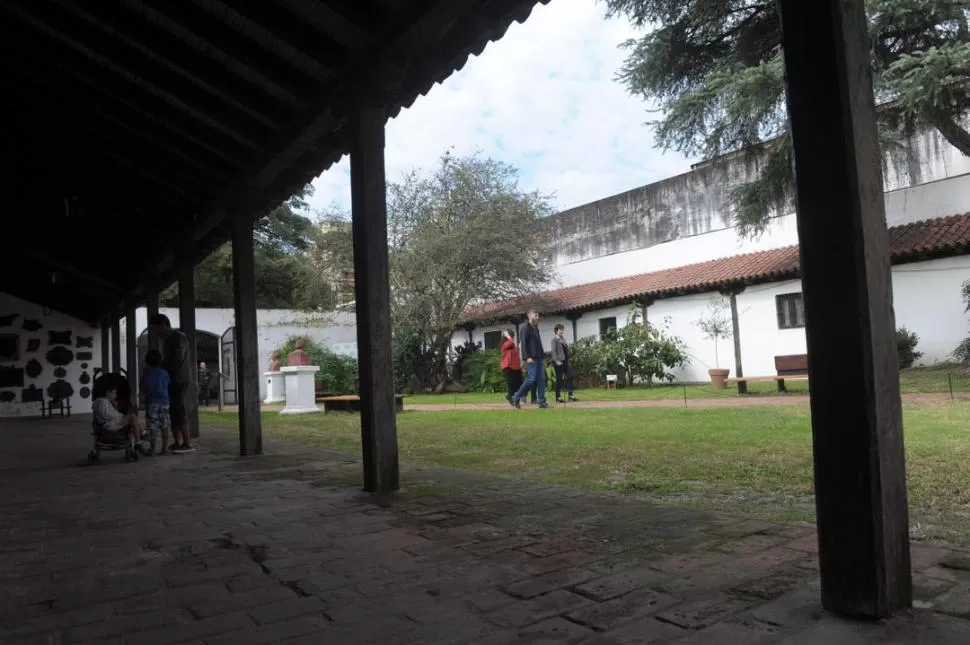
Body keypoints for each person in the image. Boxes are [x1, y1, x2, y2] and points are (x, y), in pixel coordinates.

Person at [149, 314, 194, 453]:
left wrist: (160, 365)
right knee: (173, 411)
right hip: (171, 379)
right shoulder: (167, 339)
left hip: (179, 379)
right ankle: (177, 442)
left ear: (163, 325)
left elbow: (178, 358)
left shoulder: (179, 337)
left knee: (179, 411)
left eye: (156, 329)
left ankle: (187, 444)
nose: (156, 333)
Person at [511, 310, 549, 409]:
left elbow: (538, 344)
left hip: (539, 358)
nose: (537, 317)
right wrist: (526, 357)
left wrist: (543, 356)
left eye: (538, 315)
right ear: (529, 316)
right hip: (531, 358)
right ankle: (517, 396)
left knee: (541, 380)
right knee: (531, 379)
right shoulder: (525, 327)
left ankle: (542, 402)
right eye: (536, 315)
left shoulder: (535, 328)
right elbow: (523, 343)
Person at [92, 384, 145, 452]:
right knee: (132, 416)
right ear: (108, 392)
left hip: (110, 422)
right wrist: (120, 416)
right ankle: (141, 436)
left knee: (132, 418)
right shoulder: (102, 401)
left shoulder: (101, 401)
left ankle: (140, 437)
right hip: (109, 425)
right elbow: (105, 414)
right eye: (114, 393)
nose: (115, 395)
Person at [141, 349, 171, 455]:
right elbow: (168, 384)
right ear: (160, 361)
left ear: (146, 361)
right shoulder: (165, 373)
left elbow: (144, 389)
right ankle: (164, 448)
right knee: (165, 425)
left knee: (153, 426)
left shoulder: (146, 374)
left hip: (152, 402)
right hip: (165, 402)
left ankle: (152, 449)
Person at [550, 324, 578, 403]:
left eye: (562, 329)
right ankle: (558, 397)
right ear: (556, 331)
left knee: (570, 376)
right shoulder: (554, 340)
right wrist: (556, 361)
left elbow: (566, 349)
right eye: (560, 330)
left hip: (565, 361)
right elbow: (553, 352)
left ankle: (570, 395)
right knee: (559, 380)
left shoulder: (563, 339)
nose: (562, 331)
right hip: (558, 362)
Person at [499, 329, 522, 405]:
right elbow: (511, 341)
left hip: (516, 367)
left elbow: (516, 354)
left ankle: (511, 397)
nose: (512, 338)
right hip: (509, 367)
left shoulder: (512, 345)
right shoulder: (504, 344)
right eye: (512, 336)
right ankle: (511, 398)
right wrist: (508, 335)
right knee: (511, 384)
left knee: (518, 383)